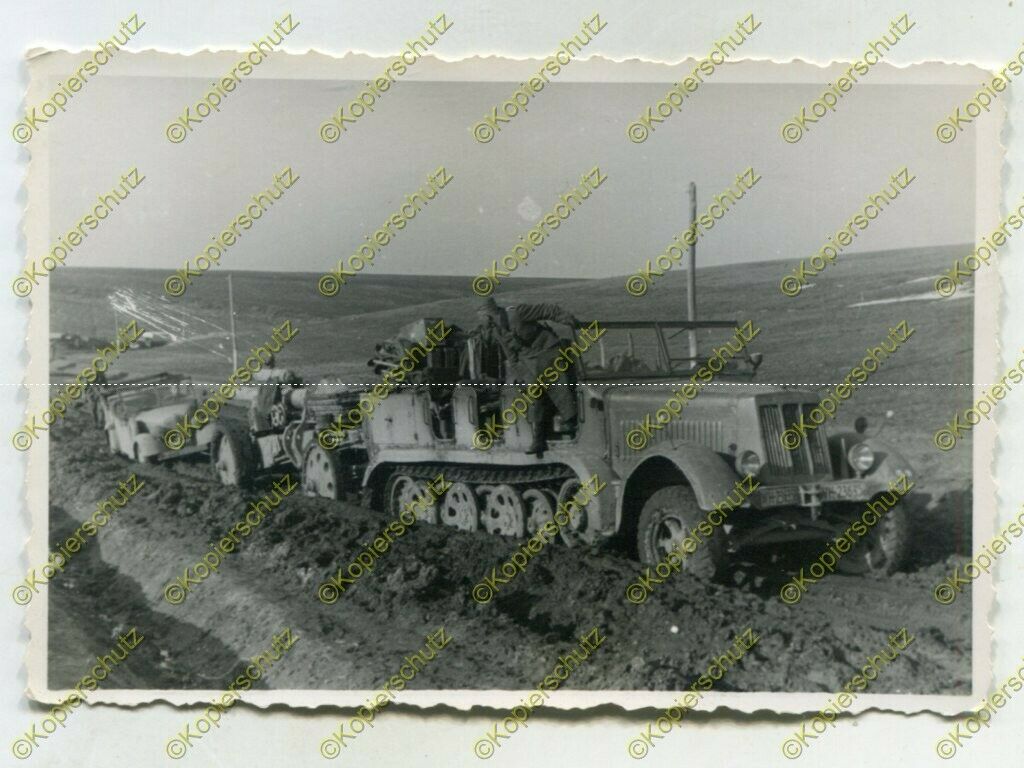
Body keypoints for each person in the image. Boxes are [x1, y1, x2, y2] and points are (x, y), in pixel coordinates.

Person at [476, 297, 580, 456]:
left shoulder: (517, 313)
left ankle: (572, 424)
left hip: (548, 351)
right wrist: (521, 378)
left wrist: (565, 318)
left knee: (559, 389)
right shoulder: (497, 330)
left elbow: (546, 309)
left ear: (487, 314)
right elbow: (511, 356)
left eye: (479, 317)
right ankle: (539, 440)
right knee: (533, 395)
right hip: (529, 361)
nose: (479, 321)